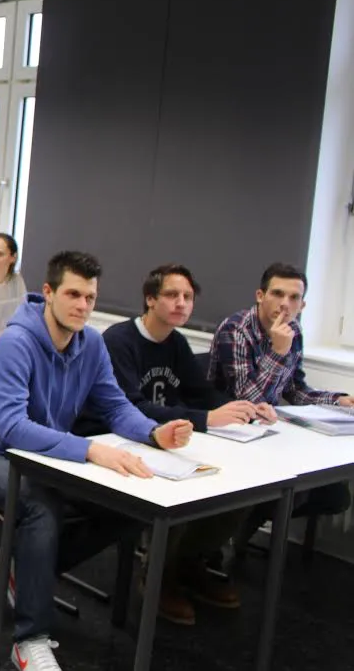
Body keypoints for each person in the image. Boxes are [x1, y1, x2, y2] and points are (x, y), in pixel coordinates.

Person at [0, 251, 193, 670]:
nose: (83, 306)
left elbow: (116, 406)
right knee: (39, 504)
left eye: (91, 297)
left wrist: (152, 432)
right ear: (48, 293)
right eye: (73, 294)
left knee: (130, 507)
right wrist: (91, 449)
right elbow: (11, 429)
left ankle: (21, 569)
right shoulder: (16, 342)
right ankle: (30, 640)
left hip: (41, 458)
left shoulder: (91, 342)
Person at [103, 264, 276, 625]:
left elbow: (201, 392)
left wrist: (240, 408)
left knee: (240, 487)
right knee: (185, 493)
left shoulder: (176, 342)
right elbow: (130, 405)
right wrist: (206, 419)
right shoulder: (119, 341)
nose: (181, 304)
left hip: (173, 438)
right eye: (171, 295)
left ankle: (189, 563)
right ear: (150, 299)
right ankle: (157, 574)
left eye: (188, 297)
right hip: (124, 438)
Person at [209, 262, 353, 530]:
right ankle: (237, 529)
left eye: (294, 297)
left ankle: (247, 525)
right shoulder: (236, 329)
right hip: (229, 432)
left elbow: (296, 390)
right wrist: (277, 351)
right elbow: (247, 399)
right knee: (283, 493)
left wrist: (337, 399)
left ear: (303, 305)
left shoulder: (294, 331)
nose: (285, 304)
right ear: (260, 296)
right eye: (277, 294)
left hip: (268, 431)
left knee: (335, 495)